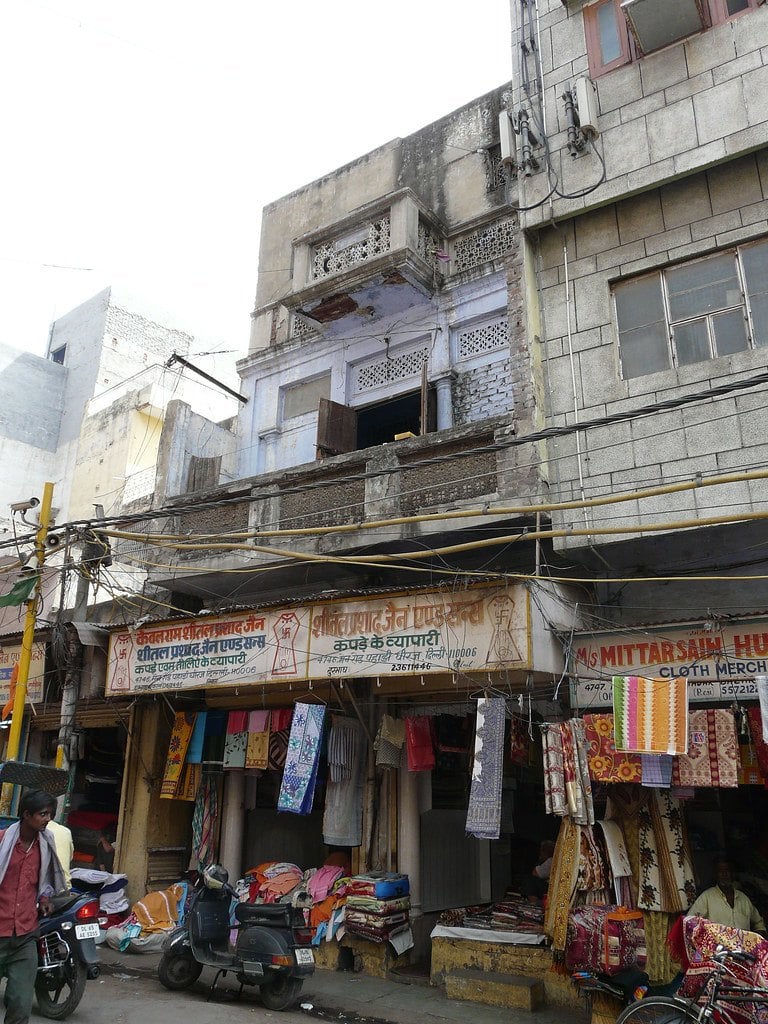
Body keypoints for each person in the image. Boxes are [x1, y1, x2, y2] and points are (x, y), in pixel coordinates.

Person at [0, 789, 67, 1024]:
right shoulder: (1, 842)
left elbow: (43, 880)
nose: (48, 818)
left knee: (20, 1004)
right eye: (42, 813)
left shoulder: (45, 846)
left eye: (50, 813)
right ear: (26, 815)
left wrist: (45, 900)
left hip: (25, 936)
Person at [687, 858, 766, 934]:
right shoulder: (706, 897)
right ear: (715, 875)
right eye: (720, 871)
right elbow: (689, 922)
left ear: (733, 874)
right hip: (718, 946)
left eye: (727, 870)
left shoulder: (743, 899)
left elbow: (759, 923)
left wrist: (758, 938)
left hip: (743, 946)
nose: (724, 874)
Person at [44, 804, 74, 891]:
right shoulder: (65, 831)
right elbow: (70, 857)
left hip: (46, 890)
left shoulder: (38, 831)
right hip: (64, 887)